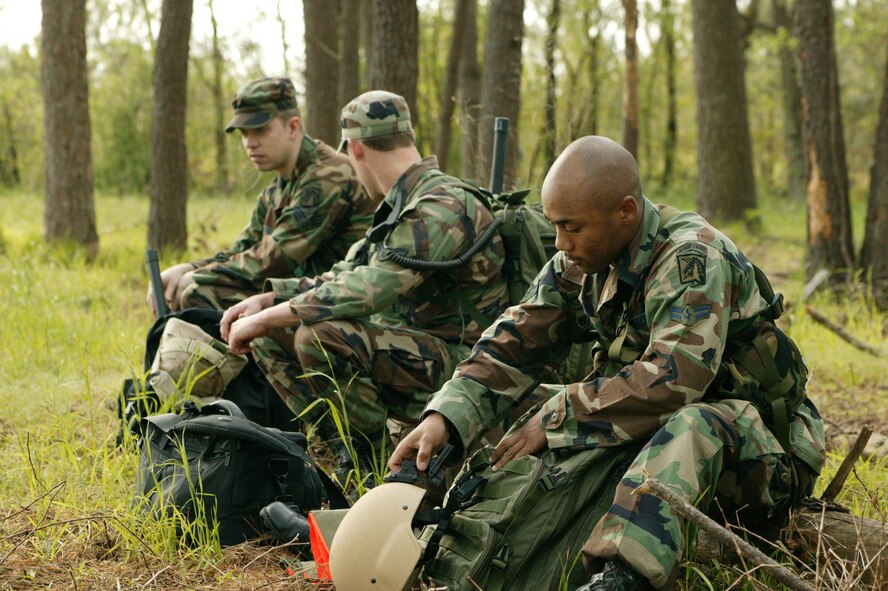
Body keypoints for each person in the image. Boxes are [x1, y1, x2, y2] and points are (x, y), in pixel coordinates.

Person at [390, 136, 826, 590]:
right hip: (656, 439)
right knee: (524, 404)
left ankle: (622, 577)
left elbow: (674, 382)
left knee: (694, 421)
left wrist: (560, 416)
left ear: (626, 212)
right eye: (555, 226)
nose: (561, 242)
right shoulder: (581, 257)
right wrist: (445, 418)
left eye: (572, 227)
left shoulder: (692, 256)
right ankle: (439, 527)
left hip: (758, 452)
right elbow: (514, 341)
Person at [219, 90, 508, 475]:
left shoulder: (443, 204)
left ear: (355, 149)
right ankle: (344, 450)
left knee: (317, 336)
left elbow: (369, 287)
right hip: (418, 350)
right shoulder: (404, 203)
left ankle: (370, 465)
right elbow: (344, 273)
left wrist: (271, 316)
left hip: (468, 364)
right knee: (272, 334)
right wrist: (269, 302)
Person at [147, 76, 375, 315]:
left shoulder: (329, 176)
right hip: (302, 295)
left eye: (260, 131)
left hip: (341, 303)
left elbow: (272, 260)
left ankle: (225, 352)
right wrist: (186, 268)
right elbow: (243, 250)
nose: (250, 143)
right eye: (244, 133)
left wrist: (196, 275)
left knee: (197, 291)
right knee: (190, 288)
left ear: (293, 127)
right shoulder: (278, 188)